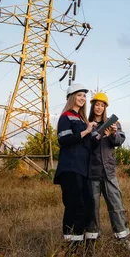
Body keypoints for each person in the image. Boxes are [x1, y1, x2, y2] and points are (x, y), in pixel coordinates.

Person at [85, 92, 130, 253]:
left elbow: (120, 141)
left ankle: (124, 241)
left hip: (109, 172)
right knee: (92, 209)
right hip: (92, 172)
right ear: (93, 106)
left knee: (117, 207)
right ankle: (92, 243)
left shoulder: (113, 123)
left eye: (102, 105)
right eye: (96, 104)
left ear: (105, 107)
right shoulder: (87, 124)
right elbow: (87, 145)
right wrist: (98, 134)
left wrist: (114, 134)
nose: (99, 107)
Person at [53, 83, 96, 247]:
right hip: (70, 168)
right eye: (79, 95)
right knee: (74, 205)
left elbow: (88, 145)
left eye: (84, 96)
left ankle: (80, 240)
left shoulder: (82, 119)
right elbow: (64, 140)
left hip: (83, 169)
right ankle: (71, 244)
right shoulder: (66, 117)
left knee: (88, 205)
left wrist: (99, 135)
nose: (83, 98)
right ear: (72, 97)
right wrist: (85, 131)